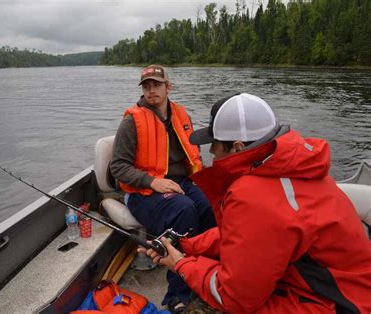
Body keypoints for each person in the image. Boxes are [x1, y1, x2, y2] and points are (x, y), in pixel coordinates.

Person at [141, 93, 371, 313]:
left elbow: (233, 297)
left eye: (215, 144)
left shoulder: (253, 196)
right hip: (346, 289)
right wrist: (185, 245)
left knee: (202, 308)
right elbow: (246, 238)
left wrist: (180, 264)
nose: (210, 152)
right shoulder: (294, 168)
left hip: (337, 304)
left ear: (238, 147)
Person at [110, 65, 216, 312]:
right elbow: (118, 167)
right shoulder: (132, 121)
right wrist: (152, 182)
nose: (151, 90)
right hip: (142, 191)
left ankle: (209, 273)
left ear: (169, 87)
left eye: (156, 85)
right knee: (184, 211)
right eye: (146, 86)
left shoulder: (180, 114)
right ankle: (177, 295)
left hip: (180, 182)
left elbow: (194, 154)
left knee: (212, 207)